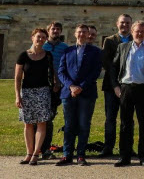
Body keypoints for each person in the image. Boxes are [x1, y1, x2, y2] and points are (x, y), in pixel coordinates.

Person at [111, 20, 144, 167]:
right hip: (126, 88)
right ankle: (125, 156)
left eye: (142, 31)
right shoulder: (123, 47)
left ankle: (143, 156)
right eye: (137, 31)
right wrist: (116, 87)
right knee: (125, 123)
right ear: (132, 32)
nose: (140, 34)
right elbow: (113, 67)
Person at [57, 24, 102, 166]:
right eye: (79, 32)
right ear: (75, 34)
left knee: (84, 124)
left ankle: (81, 155)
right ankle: (67, 154)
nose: (82, 34)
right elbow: (61, 71)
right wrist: (71, 86)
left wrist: (80, 87)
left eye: (84, 32)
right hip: (68, 93)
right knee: (69, 125)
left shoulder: (95, 52)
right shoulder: (67, 51)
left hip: (86, 93)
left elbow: (95, 72)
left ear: (88, 34)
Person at [15, 28, 54, 166]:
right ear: (32, 37)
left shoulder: (48, 55)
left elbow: (52, 74)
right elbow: (18, 78)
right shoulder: (23, 55)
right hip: (26, 93)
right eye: (39, 37)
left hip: (43, 92)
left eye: (44, 37)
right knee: (28, 124)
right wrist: (17, 96)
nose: (41, 39)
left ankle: (36, 153)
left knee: (41, 123)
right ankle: (28, 153)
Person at [100, 13, 132, 157]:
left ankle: (127, 147)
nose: (124, 25)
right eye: (122, 23)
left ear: (131, 25)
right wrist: (115, 85)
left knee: (128, 118)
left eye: (127, 23)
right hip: (111, 85)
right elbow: (107, 64)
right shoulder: (109, 41)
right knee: (110, 118)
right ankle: (108, 147)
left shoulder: (134, 39)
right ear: (117, 24)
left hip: (129, 85)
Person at [41, 21, 68, 159]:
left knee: (49, 117)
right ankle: (41, 148)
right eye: (53, 29)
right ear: (48, 31)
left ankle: (45, 149)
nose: (55, 31)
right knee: (41, 119)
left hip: (58, 87)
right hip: (41, 86)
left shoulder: (64, 47)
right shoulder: (42, 45)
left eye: (58, 29)